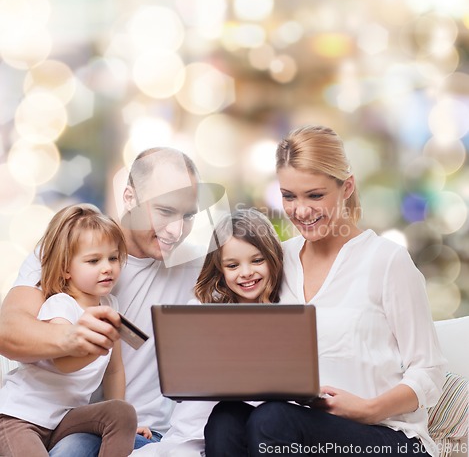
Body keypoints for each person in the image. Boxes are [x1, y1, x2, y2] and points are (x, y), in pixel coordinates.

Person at [204, 125, 447, 457]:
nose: (301, 211)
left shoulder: (387, 261)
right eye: (289, 196)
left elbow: (430, 371)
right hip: (301, 428)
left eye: (315, 195)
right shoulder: (279, 259)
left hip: (387, 438)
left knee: (272, 419)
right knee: (226, 418)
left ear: (346, 187)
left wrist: (370, 409)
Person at [0, 148, 213, 456]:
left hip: (145, 433)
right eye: (165, 211)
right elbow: (8, 331)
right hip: (62, 424)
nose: (176, 230)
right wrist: (71, 338)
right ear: (129, 197)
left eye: (189, 215)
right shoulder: (70, 248)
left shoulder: (201, 268)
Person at [135, 208, 283, 456]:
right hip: (188, 437)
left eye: (257, 261)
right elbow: (180, 381)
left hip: (243, 436)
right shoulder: (201, 311)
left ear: (272, 258)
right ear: (221, 270)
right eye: (233, 265)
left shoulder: (284, 315)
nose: (246, 273)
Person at [0, 203, 140, 457]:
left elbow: (115, 369)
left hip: (62, 419)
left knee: (122, 412)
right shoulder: (60, 304)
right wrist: (98, 344)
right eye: (93, 260)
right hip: (21, 418)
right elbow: (64, 362)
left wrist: (129, 424)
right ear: (66, 268)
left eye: (113, 258)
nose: (107, 267)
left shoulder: (111, 305)